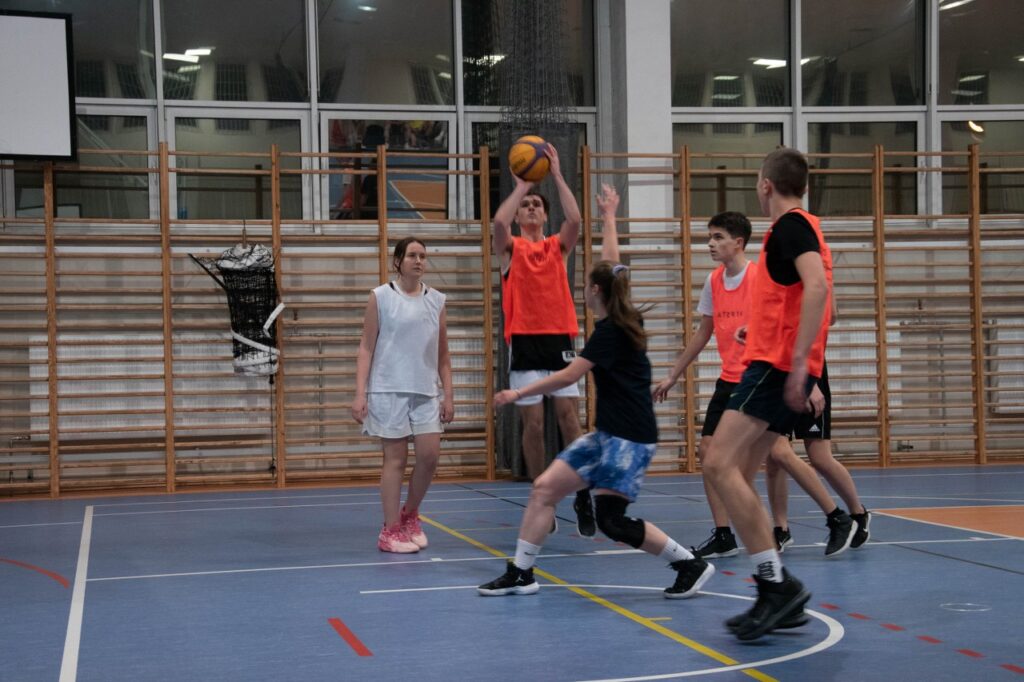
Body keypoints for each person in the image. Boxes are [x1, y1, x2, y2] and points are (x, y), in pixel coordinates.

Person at [478, 184, 714, 599]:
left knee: (612, 522)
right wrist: (608, 217)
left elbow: (567, 377)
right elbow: (613, 266)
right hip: (607, 436)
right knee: (544, 489)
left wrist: (517, 394)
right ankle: (521, 572)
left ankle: (688, 563)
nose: (583, 289)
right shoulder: (615, 317)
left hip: (629, 440)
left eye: (588, 285)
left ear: (596, 293)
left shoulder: (611, 334)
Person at [653, 213, 858, 560]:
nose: (710, 244)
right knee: (708, 452)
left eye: (718, 237)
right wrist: (674, 373)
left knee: (779, 453)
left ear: (739, 243)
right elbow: (703, 332)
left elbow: (794, 322)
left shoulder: (761, 276)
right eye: (709, 237)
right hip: (729, 378)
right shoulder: (713, 281)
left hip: (761, 375)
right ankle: (724, 534)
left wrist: (809, 380)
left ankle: (836, 516)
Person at [701, 147, 831, 641]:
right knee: (740, 473)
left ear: (765, 186)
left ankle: (776, 586)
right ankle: (775, 585)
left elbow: (818, 290)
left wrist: (799, 364)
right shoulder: (806, 229)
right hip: (777, 362)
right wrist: (765, 336)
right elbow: (818, 303)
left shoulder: (789, 227)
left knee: (717, 463)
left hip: (773, 370)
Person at [492, 141, 595, 537]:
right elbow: (498, 224)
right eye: (526, 206)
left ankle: (583, 494)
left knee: (570, 419)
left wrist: (556, 175)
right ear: (519, 215)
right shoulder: (510, 249)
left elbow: (576, 219)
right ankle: (542, 496)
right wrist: (520, 186)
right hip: (524, 341)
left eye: (537, 204)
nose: (532, 208)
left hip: (559, 339)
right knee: (533, 426)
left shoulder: (557, 248)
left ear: (545, 215)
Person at [352, 237, 455, 553]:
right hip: (388, 388)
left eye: (423, 255)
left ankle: (409, 515)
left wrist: (448, 395)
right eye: (412, 255)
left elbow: (443, 354)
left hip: (425, 391)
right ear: (398, 261)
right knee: (395, 459)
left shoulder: (436, 300)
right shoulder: (381, 297)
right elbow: (366, 347)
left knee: (429, 457)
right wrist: (360, 393)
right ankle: (390, 530)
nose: (418, 260)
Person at [766, 363, 871, 551]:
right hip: (776, 380)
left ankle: (858, 513)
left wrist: (811, 384)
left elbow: (809, 347)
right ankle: (781, 529)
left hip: (807, 377)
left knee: (820, 457)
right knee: (775, 458)